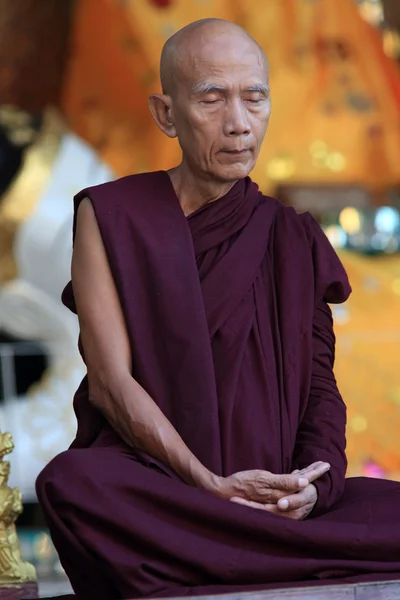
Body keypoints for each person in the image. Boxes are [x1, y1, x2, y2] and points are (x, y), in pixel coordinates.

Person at [36, 18, 400, 600]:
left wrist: (312, 488)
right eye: (212, 99)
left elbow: (321, 392)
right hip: (168, 486)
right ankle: (269, 550)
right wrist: (209, 485)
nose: (238, 123)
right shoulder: (112, 215)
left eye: (254, 98)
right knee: (73, 484)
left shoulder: (292, 236)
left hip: (273, 495)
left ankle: (243, 547)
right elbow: (109, 384)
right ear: (166, 114)